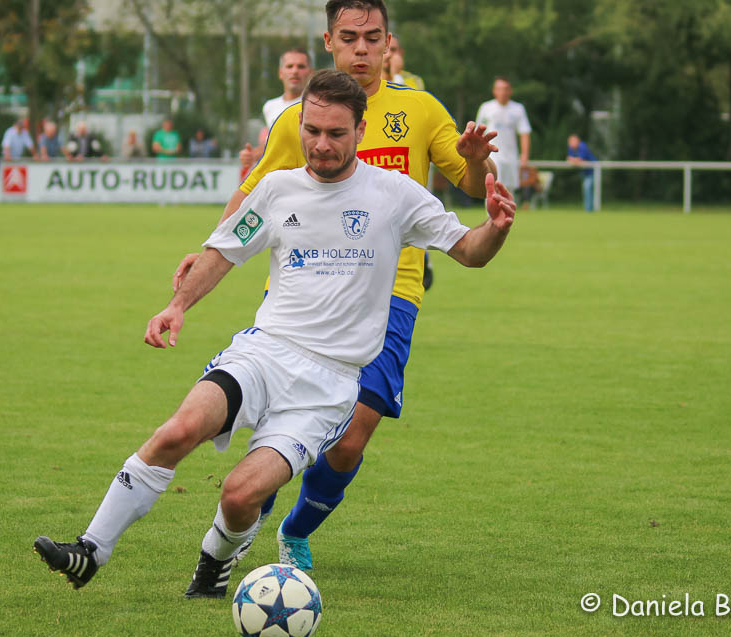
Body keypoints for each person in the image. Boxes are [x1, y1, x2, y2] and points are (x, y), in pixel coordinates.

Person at [34, 69, 517, 597]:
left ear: (360, 131)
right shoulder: (276, 190)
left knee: (239, 496)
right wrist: (176, 305)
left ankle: (215, 563)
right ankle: (90, 550)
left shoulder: (395, 194)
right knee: (177, 432)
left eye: (336, 133)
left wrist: (494, 228)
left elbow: (469, 251)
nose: (321, 144)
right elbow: (223, 252)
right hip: (263, 353)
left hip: (328, 386)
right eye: (312, 130)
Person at [173, 0, 498, 573]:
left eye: (373, 37)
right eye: (349, 37)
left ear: (389, 41)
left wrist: (474, 165)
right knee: (277, 431)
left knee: (350, 440)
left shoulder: (420, 110)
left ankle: (296, 530)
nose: (362, 49)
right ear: (329, 41)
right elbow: (253, 192)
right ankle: (241, 524)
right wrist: (209, 249)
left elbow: (472, 183)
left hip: (391, 295)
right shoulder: (300, 118)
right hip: (300, 293)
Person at [240, 48, 314, 179]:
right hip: (277, 178)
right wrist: (252, 155)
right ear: (280, 73)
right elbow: (271, 144)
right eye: (289, 66)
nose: (295, 71)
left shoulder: (316, 105)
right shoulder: (269, 106)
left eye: (301, 66)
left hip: (307, 177)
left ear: (310, 73)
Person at [475, 77, 532, 193]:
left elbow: (524, 132)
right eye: (499, 89)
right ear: (494, 91)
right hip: (492, 156)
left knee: (509, 191)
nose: (503, 92)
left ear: (510, 91)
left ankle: (507, 206)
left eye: (505, 89)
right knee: (492, 188)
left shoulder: (518, 109)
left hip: (511, 157)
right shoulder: (486, 108)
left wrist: (524, 155)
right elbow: (478, 133)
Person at [566, 134, 597, 212]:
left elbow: (578, 160)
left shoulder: (582, 146)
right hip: (584, 172)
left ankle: (588, 210)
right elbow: (569, 159)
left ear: (578, 141)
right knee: (586, 189)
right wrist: (573, 160)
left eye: (573, 141)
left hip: (592, 170)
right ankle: (589, 208)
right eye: (570, 142)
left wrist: (573, 160)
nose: (571, 144)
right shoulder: (571, 148)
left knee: (587, 187)